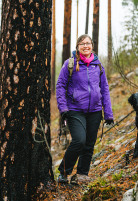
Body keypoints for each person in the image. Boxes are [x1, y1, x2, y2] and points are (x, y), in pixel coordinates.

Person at [56, 34, 114, 184]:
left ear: (92, 46)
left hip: (95, 111)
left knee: (89, 144)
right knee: (79, 140)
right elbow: (60, 86)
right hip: (75, 110)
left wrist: (108, 113)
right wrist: (63, 109)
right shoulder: (69, 64)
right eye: (82, 44)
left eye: (88, 43)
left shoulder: (98, 66)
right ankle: (63, 172)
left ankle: (82, 174)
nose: (85, 46)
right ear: (78, 47)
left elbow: (105, 90)